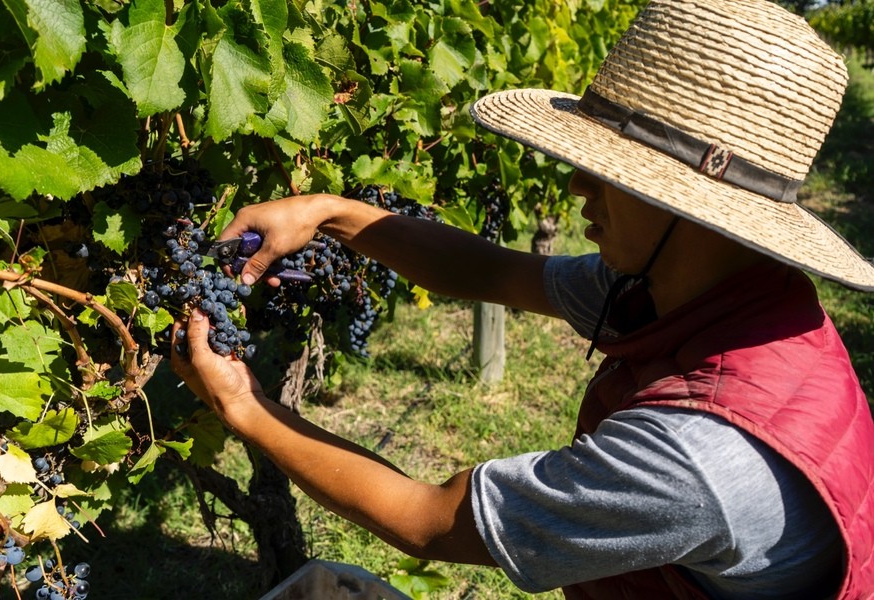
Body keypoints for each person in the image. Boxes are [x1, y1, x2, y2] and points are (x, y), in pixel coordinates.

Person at [171, 0, 874, 598]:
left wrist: (244, 405)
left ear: (691, 210)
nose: (576, 189)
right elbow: (497, 275)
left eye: (610, 174)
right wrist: (331, 214)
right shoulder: (722, 294)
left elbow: (429, 519)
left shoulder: (701, 459)